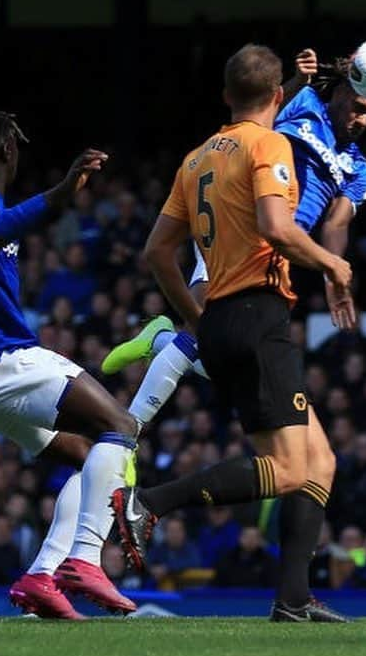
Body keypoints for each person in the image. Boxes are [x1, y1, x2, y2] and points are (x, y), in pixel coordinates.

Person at [110, 43, 353, 623]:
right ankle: (148, 502)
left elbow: (157, 252)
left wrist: (195, 321)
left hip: (221, 317)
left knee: (319, 460)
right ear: (277, 97)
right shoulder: (268, 144)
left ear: (225, 96)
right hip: (258, 316)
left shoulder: (196, 159)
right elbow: (277, 226)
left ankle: (292, 598)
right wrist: (333, 264)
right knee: (293, 468)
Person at [0, 111, 137, 619]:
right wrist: (61, 192)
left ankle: (42, 577)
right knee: (121, 425)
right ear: (5, 152)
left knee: (88, 454)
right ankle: (85, 560)